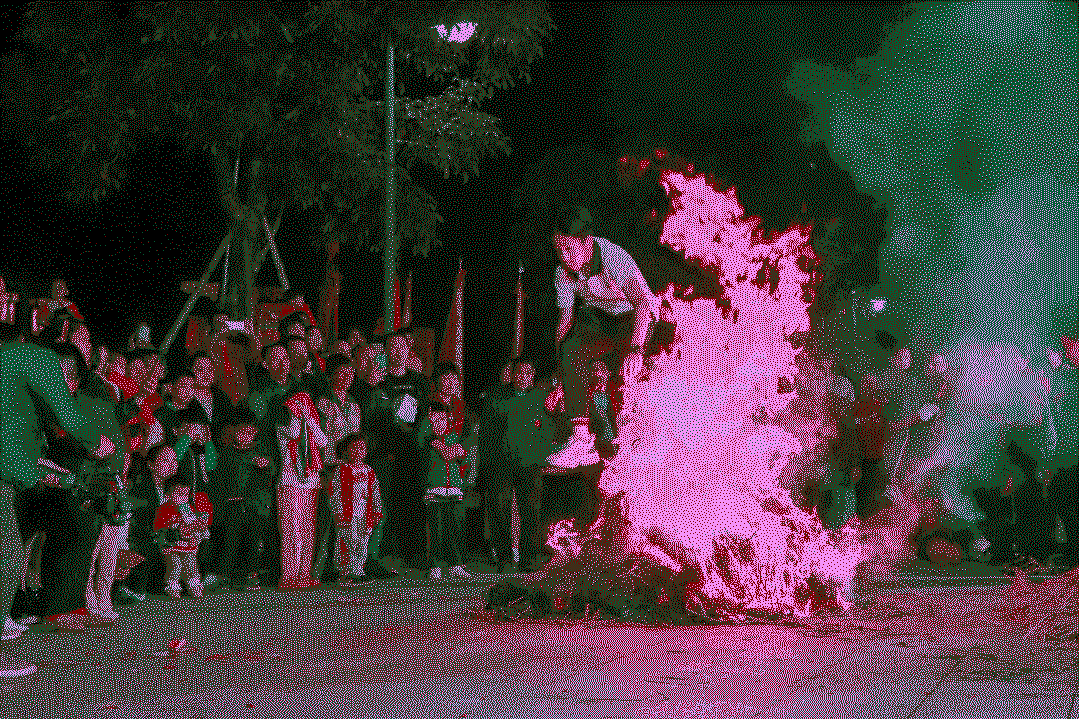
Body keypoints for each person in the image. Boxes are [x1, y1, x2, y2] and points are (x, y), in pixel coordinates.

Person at [0, 338, 115, 677]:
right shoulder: (32, 357)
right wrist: (99, 441)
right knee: (9, 556)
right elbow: (67, 415)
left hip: (15, 469)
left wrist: (39, 464)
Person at [548, 204, 655, 469]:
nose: (564, 257)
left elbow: (643, 303)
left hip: (637, 319)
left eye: (568, 249)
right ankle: (581, 439)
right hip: (604, 320)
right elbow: (565, 321)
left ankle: (638, 435)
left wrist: (635, 350)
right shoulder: (563, 273)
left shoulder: (612, 257)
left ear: (586, 241)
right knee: (572, 348)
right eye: (559, 250)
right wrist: (559, 371)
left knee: (626, 374)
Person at [484, 358, 559, 573]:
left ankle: (528, 558)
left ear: (532, 376)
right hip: (503, 463)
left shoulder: (540, 397)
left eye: (528, 373)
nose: (524, 376)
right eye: (520, 372)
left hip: (530, 463)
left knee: (531, 511)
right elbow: (490, 426)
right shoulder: (499, 396)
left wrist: (542, 453)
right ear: (512, 374)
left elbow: (548, 428)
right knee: (500, 510)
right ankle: (505, 558)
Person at [377, 327, 430, 570]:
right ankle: (389, 554)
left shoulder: (419, 382)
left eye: (401, 347)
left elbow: (426, 414)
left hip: (414, 453)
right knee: (389, 504)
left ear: (408, 350)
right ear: (386, 351)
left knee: (414, 503)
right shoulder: (381, 382)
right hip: (388, 455)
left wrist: (415, 434)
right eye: (392, 347)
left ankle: (415, 554)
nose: (397, 351)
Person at [208, 410, 275, 591]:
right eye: (241, 431)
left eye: (249, 432)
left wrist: (266, 465)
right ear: (234, 431)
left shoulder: (262, 451)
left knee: (253, 541)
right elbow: (219, 478)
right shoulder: (227, 453)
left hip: (257, 506)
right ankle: (224, 575)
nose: (245, 435)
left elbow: (271, 473)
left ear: (255, 432)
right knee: (230, 541)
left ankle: (250, 575)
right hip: (234, 505)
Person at [312, 354, 361, 582]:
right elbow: (317, 436)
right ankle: (318, 569)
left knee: (347, 521)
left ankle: (343, 568)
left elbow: (356, 438)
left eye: (350, 373)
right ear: (332, 375)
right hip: (329, 466)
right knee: (326, 521)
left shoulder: (354, 405)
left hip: (349, 469)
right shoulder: (322, 402)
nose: (346, 377)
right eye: (341, 373)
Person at [421, 403, 471, 579]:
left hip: (454, 490)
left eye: (442, 419)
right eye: (434, 421)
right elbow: (450, 455)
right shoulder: (428, 440)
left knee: (455, 528)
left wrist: (457, 452)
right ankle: (435, 565)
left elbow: (463, 457)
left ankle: (455, 564)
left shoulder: (454, 438)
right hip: (435, 490)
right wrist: (455, 451)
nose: (438, 424)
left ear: (448, 420)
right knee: (437, 530)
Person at [329, 433, 381, 585]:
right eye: (355, 448)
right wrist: (338, 511)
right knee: (347, 541)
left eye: (362, 448)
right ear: (347, 451)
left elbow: (375, 493)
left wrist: (377, 511)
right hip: (347, 514)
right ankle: (345, 573)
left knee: (362, 541)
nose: (358, 451)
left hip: (365, 513)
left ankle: (358, 570)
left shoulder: (369, 471)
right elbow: (335, 493)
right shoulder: (342, 470)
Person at [153, 474, 212, 598]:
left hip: (187, 543)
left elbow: (195, 523)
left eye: (185, 494)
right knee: (175, 564)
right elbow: (158, 527)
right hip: (170, 544)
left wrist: (200, 530)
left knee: (190, 563)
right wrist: (169, 526)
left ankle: (193, 584)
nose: (183, 498)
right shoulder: (164, 509)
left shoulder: (188, 509)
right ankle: (172, 585)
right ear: (168, 494)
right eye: (179, 494)